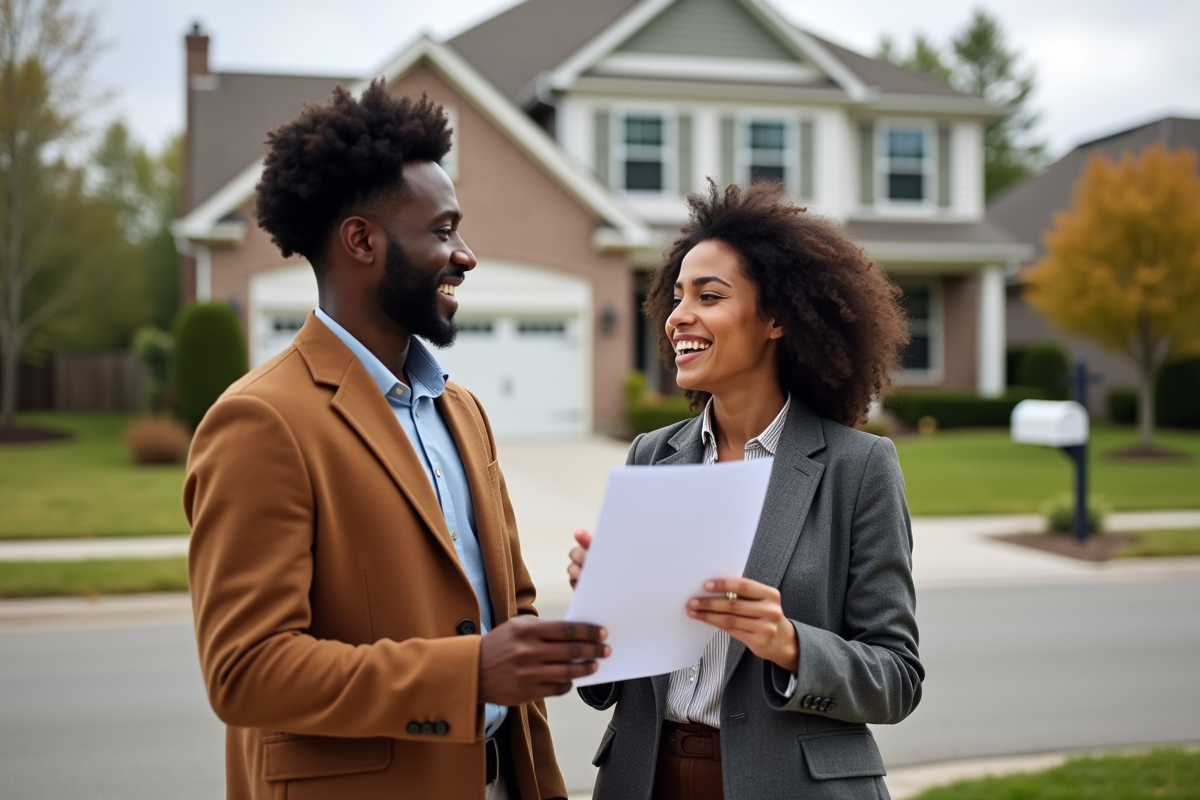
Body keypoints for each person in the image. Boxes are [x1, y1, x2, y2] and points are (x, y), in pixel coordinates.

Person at [185, 82, 608, 800]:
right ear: (363, 241)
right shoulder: (261, 422)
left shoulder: (463, 412)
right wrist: (467, 674)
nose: (466, 256)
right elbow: (246, 671)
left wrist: (596, 612)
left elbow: (509, 616)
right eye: (443, 232)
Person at [567, 181, 923, 800]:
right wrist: (603, 604)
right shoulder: (652, 456)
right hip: (646, 779)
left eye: (709, 296)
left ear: (778, 319)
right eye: (677, 296)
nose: (680, 316)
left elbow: (896, 677)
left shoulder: (859, 467)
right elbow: (607, 682)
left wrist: (787, 643)